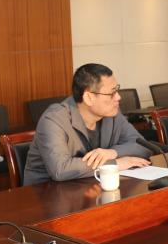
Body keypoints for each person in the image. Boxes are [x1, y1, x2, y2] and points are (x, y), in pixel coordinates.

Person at [22, 63, 151, 185]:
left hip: (89, 187)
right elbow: (60, 169)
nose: (118, 97)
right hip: (45, 193)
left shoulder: (112, 114)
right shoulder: (53, 119)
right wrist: (115, 164)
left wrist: (112, 153)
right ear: (88, 97)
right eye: (112, 93)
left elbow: (143, 146)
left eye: (117, 90)